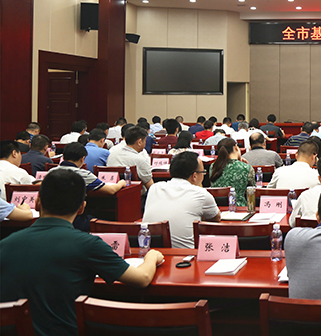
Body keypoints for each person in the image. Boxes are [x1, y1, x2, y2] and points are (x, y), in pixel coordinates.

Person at [0, 168, 164, 335]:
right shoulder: (88, 244)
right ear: (81, 208)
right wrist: (151, 257)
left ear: (37, 203)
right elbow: (142, 279)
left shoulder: (5, 244)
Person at [143, 151, 220, 248]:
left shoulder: (154, 188)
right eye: (203, 172)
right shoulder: (201, 194)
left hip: (151, 252)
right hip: (187, 254)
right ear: (194, 176)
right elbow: (216, 219)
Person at [107, 126, 154, 193]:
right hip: (136, 196)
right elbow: (150, 187)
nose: (145, 143)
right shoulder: (140, 160)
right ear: (139, 142)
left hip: (113, 194)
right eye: (144, 141)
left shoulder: (112, 155)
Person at [209, 138, 254, 207]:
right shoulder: (246, 167)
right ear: (236, 147)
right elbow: (252, 190)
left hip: (216, 207)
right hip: (239, 207)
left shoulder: (213, 166)